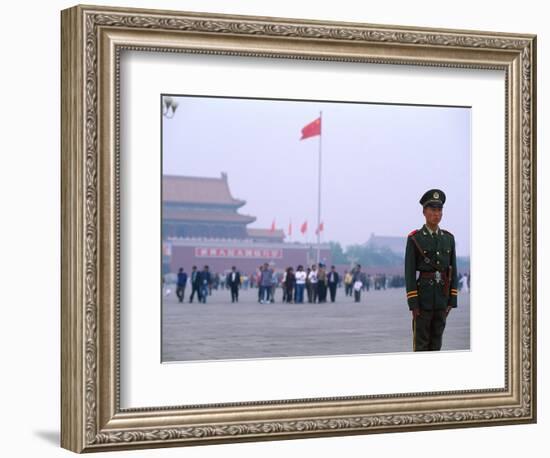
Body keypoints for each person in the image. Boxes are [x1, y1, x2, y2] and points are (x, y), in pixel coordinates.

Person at [405, 189, 458, 351]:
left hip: (441, 300)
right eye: (433, 210)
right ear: (424, 212)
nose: (437, 214)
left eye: (439, 210)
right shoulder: (415, 238)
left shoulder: (448, 239)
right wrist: (413, 303)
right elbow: (409, 273)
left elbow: (452, 270)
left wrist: (451, 300)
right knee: (421, 345)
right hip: (423, 301)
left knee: (437, 344)